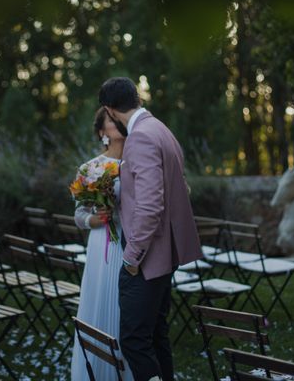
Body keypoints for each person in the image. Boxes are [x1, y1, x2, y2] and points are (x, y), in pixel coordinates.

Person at [98, 77, 203, 381]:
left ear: (110, 109)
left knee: (134, 339)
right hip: (165, 255)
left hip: (146, 258)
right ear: (137, 99)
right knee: (156, 335)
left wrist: (132, 258)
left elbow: (149, 205)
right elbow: (182, 187)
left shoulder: (141, 137)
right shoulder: (161, 129)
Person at [70, 107, 134, 381]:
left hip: (130, 245)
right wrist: (96, 219)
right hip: (101, 248)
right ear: (101, 132)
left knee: (128, 312)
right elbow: (79, 215)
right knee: (98, 305)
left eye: (118, 118)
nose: (116, 122)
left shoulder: (137, 162)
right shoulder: (90, 168)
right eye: (110, 119)